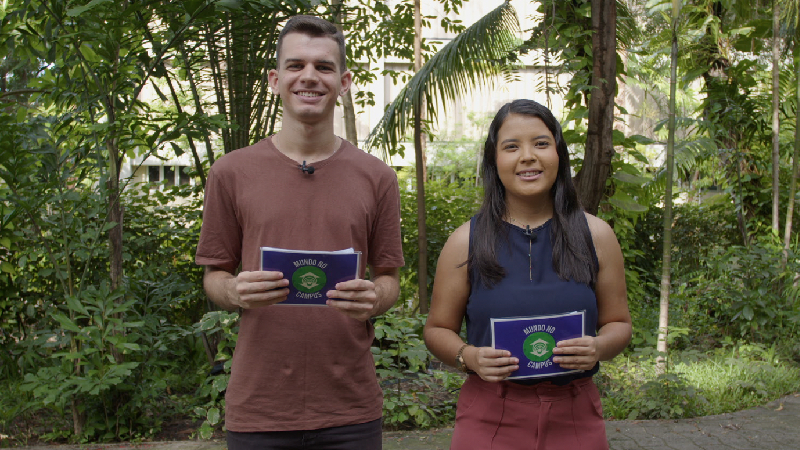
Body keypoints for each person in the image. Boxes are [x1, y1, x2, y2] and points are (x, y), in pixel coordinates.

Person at [195, 15, 404, 450]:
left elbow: (389, 279)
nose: (309, 77)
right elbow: (213, 274)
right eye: (295, 65)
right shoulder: (231, 172)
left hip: (350, 408)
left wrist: (375, 298)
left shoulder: (376, 176)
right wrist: (234, 291)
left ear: (344, 81)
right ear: (275, 79)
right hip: (259, 408)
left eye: (323, 67)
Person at [423, 99, 632, 450]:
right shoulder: (465, 241)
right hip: (490, 413)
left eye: (540, 143)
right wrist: (468, 357)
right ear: (494, 159)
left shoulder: (596, 235)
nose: (528, 156)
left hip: (575, 414)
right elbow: (437, 329)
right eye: (511, 147)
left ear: (558, 154)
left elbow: (619, 324)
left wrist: (598, 347)